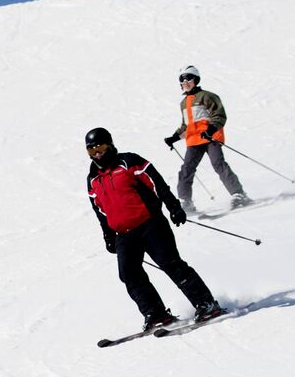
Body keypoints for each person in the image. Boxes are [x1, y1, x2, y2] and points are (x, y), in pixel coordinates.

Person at [85, 127, 225, 330]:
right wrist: (108, 235)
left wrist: (173, 206)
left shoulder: (129, 161)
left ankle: (206, 304)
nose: (98, 154)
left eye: (101, 148)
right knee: (129, 274)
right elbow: (100, 210)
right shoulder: (92, 179)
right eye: (92, 151)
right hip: (124, 234)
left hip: (150, 224)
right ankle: (156, 314)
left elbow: (157, 183)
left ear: (111, 145)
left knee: (171, 264)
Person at [163, 66, 250, 213]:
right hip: (194, 141)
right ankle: (186, 202)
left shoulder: (207, 96)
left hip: (210, 138)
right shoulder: (183, 103)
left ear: (196, 80)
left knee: (218, 164)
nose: (185, 81)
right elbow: (186, 125)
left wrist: (211, 130)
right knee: (186, 169)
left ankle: (238, 194)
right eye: (182, 79)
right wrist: (174, 137)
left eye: (188, 78)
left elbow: (219, 115)